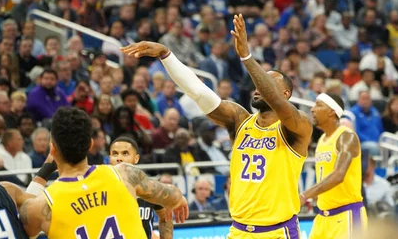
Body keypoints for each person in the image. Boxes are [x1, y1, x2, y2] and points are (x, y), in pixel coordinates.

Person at [121, 13, 313, 239]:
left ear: (286, 93)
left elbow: (277, 102)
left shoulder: (297, 126)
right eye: (259, 82)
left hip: (278, 232)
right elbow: (199, 92)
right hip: (239, 230)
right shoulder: (240, 120)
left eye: (268, 82)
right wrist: (166, 55)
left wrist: (247, 57)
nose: (258, 86)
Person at [2, 107, 188, 238]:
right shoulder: (125, 174)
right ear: (91, 145)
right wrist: (179, 199)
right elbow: (173, 197)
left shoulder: (39, 207)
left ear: (52, 150)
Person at [300, 93, 366, 239]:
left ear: (332, 111)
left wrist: (305, 195)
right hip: (323, 216)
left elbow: (338, 175)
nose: (312, 109)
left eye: (318, 105)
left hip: (345, 215)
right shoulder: (322, 140)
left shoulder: (346, 136)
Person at [109, 136, 174, 239]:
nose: (119, 158)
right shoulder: (101, 186)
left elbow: (166, 217)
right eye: (115, 153)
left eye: (125, 153)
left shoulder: (149, 187)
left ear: (136, 159)